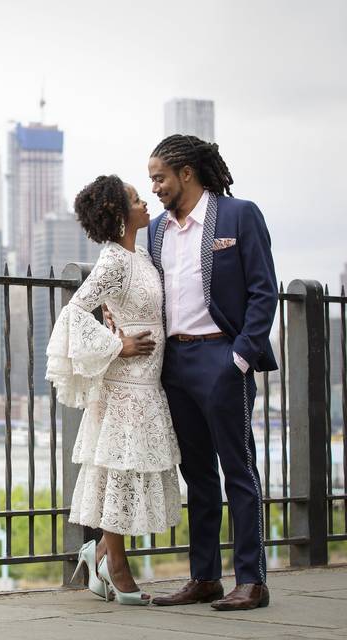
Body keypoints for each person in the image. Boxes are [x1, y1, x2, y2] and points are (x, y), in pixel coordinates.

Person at [145, 135, 278, 611]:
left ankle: (252, 580)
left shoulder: (239, 215)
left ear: (186, 172)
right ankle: (204, 577)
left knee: (239, 470)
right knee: (197, 476)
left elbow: (265, 291)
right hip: (175, 365)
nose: (155, 186)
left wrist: (240, 357)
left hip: (223, 358)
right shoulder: (156, 229)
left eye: (159, 176)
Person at [47, 175, 182, 605]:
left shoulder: (139, 254)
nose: (145, 202)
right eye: (135, 199)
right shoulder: (112, 262)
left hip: (147, 384)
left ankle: (101, 551)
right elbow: (74, 312)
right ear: (119, 213)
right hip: (123, 385)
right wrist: (116, 345)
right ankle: (116, 565)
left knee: (130, 472)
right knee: (117, 475)